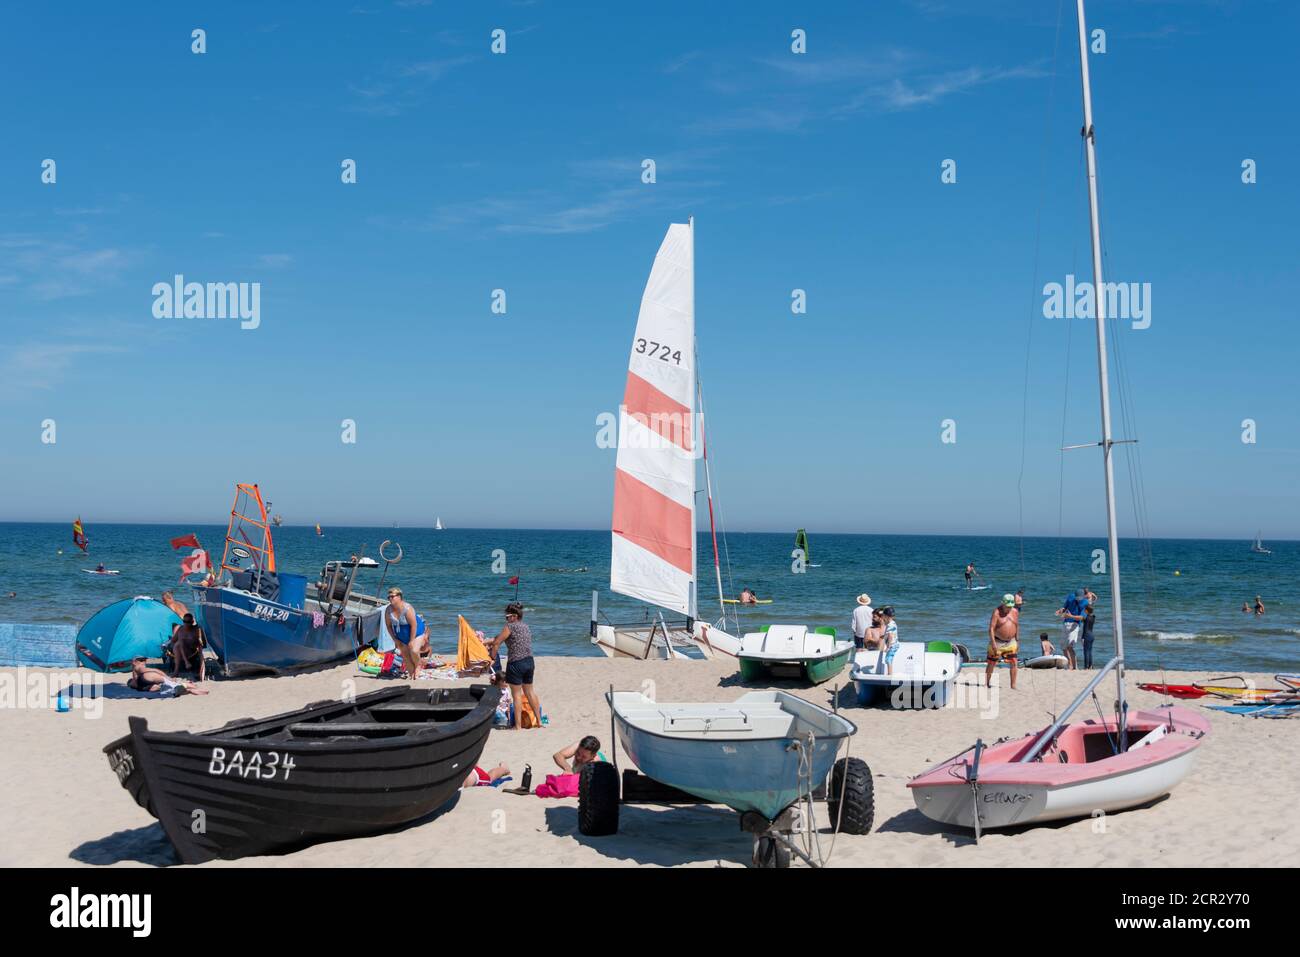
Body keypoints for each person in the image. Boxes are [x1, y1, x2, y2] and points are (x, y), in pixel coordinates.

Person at [487, 602, 542, 731]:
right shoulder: (526, 626)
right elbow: (505, 638)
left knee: (516, 694)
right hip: (529, 661)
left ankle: (517, 726)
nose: (506, 619)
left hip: (516, 662)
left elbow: (496, 643)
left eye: (507, 616)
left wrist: (492, 658)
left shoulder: (509, 626)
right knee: (530, 692)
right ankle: (539, 722)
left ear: (515, 616)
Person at [385, 587, 429, 679]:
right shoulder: (388, 610)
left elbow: (414, 625)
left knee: (414, 650)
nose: (390, 599)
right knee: (405, 656)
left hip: (416, 632)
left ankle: (418, 666)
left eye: (392, 596)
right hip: (401, 636)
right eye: (388, 597)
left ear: (399, 597)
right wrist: (395, 639)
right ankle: (412, 675)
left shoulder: (407, 608)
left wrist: (411, 640)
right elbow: (388, 626)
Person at [986, 594, 1020, 690]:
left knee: (1014, 662)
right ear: (1002, 604)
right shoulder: (996, 612)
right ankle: (987, 683)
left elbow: (1017, 625)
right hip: (997, 642)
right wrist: (993, 643)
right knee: (991, 663)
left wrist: (1017, 640)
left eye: (1010, 606)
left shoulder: (1015, 612)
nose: (1009, 608)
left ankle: (1013, 685)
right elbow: (991, 629)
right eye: (1007, 606)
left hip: (1011, 642)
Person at [127, 657, 208, 696]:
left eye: (144, 660)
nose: (144, 661)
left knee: (162, 687)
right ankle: (189, 687)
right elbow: (155, 670)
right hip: (145, 681)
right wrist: (168, 678)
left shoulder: (136, 670)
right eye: (141, 660)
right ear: (135, 662)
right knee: (168, 684)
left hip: (144, 685)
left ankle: (189, 689)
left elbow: (133, 684)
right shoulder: (139, 667)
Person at [1056, 585, 1089, 670]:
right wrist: (1061, 610)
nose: (1078, 599)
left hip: (1075, 625)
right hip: (1065, 623)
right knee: (1063, 647)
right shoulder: (1071, 597)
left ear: (1083, 596)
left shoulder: (1085, 603)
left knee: (1070, 646)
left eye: (1080, 598)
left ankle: (1073, 666)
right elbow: (1065, 607)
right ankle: (1069, 665)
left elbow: (1082, 617)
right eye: (1077, 597)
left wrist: (1071, 616)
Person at [169, 613, 207, 681]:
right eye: (184, 622)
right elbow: (173, 641)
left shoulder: (196, 630)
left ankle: (177, 670)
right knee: (178, 644)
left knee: (179, 643)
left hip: (192, 652)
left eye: (188, 622)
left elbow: (203, 645)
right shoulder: (181, 629)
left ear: (192, 622)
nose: (186, 624)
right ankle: (177, 669)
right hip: (180, 651)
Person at [877, 606, 899, 675]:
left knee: (888, 659)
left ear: (886, 616)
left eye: (883, 615)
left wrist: (888, 647)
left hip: (892, 645)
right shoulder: (892, 623)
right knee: (889, 659)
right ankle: (890, 673)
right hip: (895, 644)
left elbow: (890, 636)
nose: (882, 617)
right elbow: (890, 634)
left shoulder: (890, 625)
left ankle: (890, 674)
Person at [1080, 603, 1096, 669]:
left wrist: (1082, 637)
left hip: (1087, 635)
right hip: (1092, 635)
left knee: (1086, 651)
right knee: (1089, 651)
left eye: (1085, 610)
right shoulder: (1093, 617)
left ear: (1086, 611)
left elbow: (1085, 629)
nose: (1084, 610)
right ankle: (1091, 666)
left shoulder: (1086, 618)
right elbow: (1085, 620)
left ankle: (1086, 667)